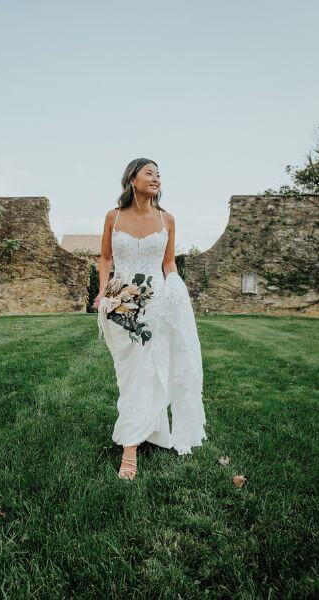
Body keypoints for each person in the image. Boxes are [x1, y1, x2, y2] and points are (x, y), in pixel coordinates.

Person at [95, 158, 207, 479]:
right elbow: (105, 258)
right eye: (149, 173)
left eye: (159, 174)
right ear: (132, 179)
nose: (156, 178)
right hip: (121, 302)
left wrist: (174, 286)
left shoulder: (167, 219)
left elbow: (169, 262)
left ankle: (130, 446)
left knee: (150, 368)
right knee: (130, 372)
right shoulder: (113, 218)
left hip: (156, 302)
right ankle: (147, 428)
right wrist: (104, 293)